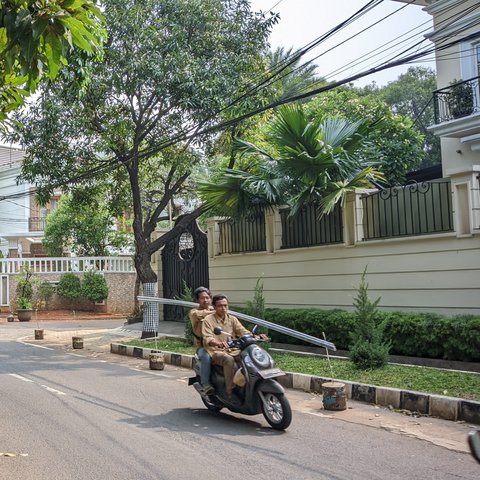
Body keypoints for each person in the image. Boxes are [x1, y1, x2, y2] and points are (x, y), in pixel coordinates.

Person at [202, 294, 267, 399]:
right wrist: (217, 343)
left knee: (248, 357)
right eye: (220, 306)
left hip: (233, 349)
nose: (223, 308)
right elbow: (207, 338)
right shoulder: (208, 320)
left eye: (225, 305)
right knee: (229, 360)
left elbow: (242, 331)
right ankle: (230, 391)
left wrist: (256, 336)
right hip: (216, 351)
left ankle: (248, 385)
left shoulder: (232, 319)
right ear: (214, 307)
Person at [188, 287, 214, 395]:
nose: (205, 300)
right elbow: (200, 315)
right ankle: (205, 384)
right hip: (203, 346)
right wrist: (216, 311)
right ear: (197, 300)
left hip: (217, 344)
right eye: (202, 298)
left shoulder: (215, 310)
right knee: (206, 357)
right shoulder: (194, 312)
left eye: (207, 298)